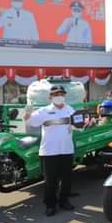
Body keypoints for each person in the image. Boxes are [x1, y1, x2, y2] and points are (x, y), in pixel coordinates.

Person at [24, 85, 75, 216]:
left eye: (61, 94)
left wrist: (87, 122)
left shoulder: (70, 110)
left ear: (64, 96)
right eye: (56, 94)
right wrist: (27, 113)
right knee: (50, 180)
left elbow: (78, 125)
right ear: (50, 97)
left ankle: (64, 201)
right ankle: (50, 205)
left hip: (66, 149)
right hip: (49, 151)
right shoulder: (44, 111)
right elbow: (31, 121)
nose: (59, 96)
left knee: (67, 178)